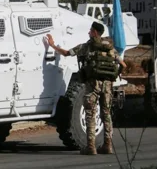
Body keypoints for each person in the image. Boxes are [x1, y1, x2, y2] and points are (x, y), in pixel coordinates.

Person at [45, 21, 127, 155]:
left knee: (90, 114)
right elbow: (123, 65)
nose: (89, 32)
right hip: (107, 85)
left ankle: (91, 147)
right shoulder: (110, 48)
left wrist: (53, 45)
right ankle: (107, 145)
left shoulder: (86, 47)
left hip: (92, 84)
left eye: (90, 30)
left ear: (95, 32)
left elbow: (66, 53)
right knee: (106, 114)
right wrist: (113, 76)